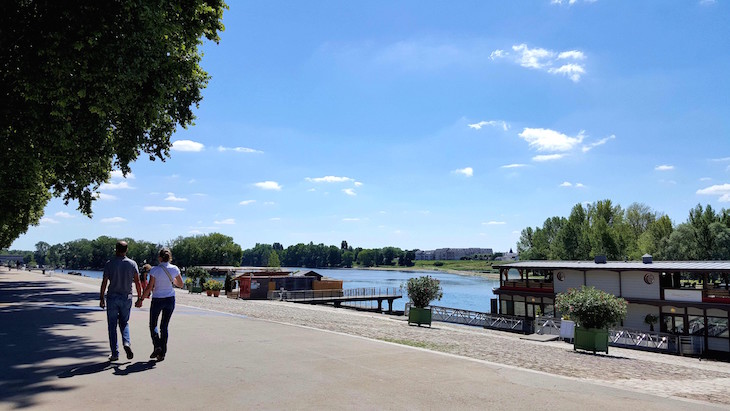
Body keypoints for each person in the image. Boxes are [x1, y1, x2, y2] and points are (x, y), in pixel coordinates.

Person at [137, 248, 183, 362]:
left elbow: (149, 287)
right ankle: (162, 354)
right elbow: (181, 284)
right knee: (164, 327)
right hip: (170, 299)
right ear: (170, 258)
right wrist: (173, 281)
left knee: (153, 325)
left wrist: (141, 299)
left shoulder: (154, 270)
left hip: (157, 299)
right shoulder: (175, 269)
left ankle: (157, 345)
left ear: (159, 258)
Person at [100, 240, 142, 362]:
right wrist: (139, 298)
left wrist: (101, 298)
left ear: (116, 249)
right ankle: (127, 343)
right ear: (126, 250)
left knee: (112, 326)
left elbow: (104, 281)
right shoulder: (132, 264)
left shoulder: (110, 263)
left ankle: (115, 353)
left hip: (112, 297)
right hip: (126, 297)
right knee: (124, 323)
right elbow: (138, 282)